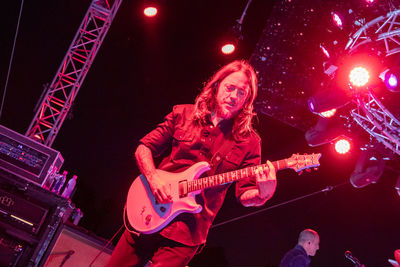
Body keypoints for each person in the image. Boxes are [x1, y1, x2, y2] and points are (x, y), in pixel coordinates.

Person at [106, 60, 278, 267]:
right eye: (229, 88)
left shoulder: (250, 142)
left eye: (241, 93)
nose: (233, 96)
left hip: (187, 234)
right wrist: (153, 180)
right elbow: (144, 147)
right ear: (216, 87)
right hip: (149, 209)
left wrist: (263, 194)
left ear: (247, 100)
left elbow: (245, 195)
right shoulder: (183, 114)